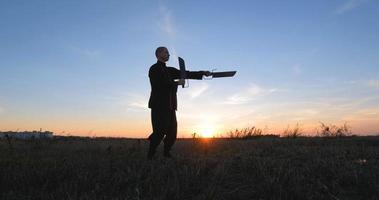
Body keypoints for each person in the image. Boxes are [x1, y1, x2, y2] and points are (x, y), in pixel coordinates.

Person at [147, 46, 210, 159]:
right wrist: (176, 83)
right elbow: (159, 84)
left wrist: (202, 73)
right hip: (159, 105)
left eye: (168, 52)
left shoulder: (170, 70)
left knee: (172, 133)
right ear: (158, 54)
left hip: (171, 106)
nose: (168, 54)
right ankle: (150, 155)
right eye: (166, 52)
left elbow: (185, 73)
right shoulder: (154, 69)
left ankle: (166, 153)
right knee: (159, 131)